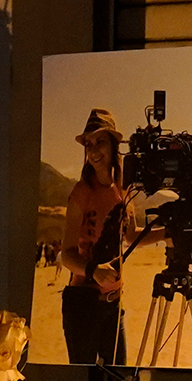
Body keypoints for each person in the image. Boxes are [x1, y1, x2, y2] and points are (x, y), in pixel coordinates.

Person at [56, 108, 135, 364]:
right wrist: (94, 270)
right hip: (82, 305)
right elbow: (65, 256)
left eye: (99, 141)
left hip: (114, 305)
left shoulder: (125, 190)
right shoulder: (81, 192)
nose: (93, 151)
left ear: (113, 145)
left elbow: (132, 237)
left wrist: (168, 231)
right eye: (88, 144)